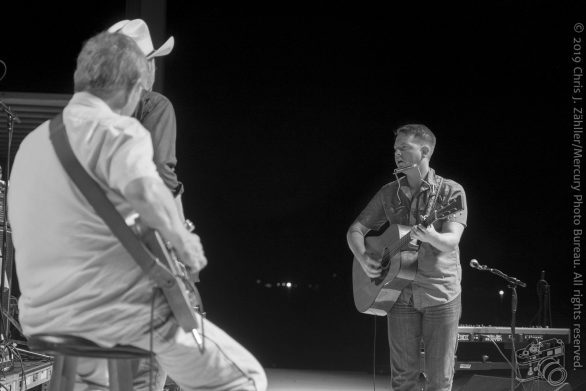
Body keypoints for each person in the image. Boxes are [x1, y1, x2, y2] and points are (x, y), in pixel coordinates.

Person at [8, 30, 267, 391]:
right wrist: (185, 243)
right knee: (247, 378)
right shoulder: (127, 127)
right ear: (136, 80)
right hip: (119, 319)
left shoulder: (33, 145)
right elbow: (155, 184)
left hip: (44, 320)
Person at [346, 124, 467, 391]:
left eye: (404, 148)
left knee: (439, 380)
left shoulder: (450, 191)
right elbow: (355, 230)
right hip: (397, 291)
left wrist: (431, 236)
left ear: (424, 151)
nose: (397, 153)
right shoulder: (389, 192)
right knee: (403, 380)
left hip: (440, 292)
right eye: (395, 149)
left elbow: (451, 241)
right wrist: (364, 257)